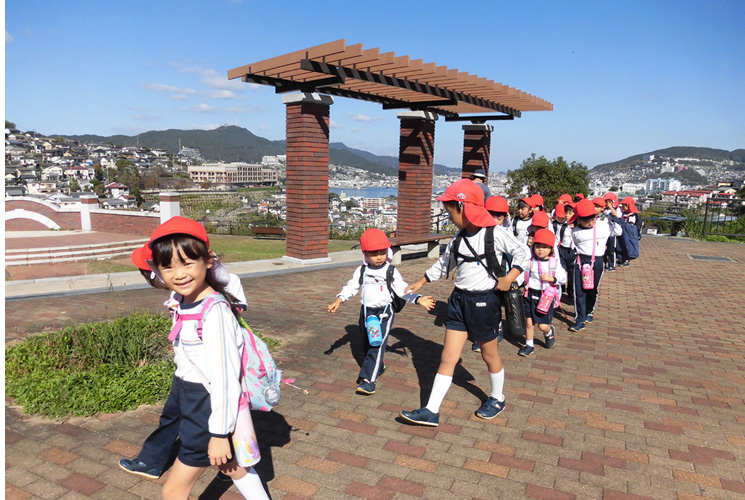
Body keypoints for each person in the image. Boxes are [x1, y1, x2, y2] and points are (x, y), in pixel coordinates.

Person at [122, 217, 268, 500]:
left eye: (187, 263)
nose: (178, 274)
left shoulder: (214, 313)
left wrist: (218, 433)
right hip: (187, 391)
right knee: (231, 465)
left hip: (206, 404)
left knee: (174, 491)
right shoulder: (183, 299)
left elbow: (225, 378)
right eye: (168, 267)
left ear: (208, 260)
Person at [399, 179, 529, 426]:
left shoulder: (494, 232)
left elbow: (523, 252)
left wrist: (510, 276)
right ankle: (431, 410)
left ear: (464, 207)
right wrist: (421, 281)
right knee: (448, 357)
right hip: (458, 300)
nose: (449, 217)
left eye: (450, 211)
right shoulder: (459, 237)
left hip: (484, 302)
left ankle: (497, 398)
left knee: (489, 355)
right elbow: (445, 264)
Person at [328, 228, 435, 395]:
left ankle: (368, 380)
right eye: (374, 253)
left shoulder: (390, 271)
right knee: (367, 343)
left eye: (382, 252)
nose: (379, 257)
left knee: (376, 345)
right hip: (366, 312)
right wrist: (339, 300)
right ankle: (379, 365)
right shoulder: (362, 271)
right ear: (365, 254)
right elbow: (351, 287)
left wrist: (419, 299)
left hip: (384, 313)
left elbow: (402, 289)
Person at [568, 200, 621, 332]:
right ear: (579, 219)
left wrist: (614, 218)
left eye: (592, 219)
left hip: (597, 261)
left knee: (592, 289)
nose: (590, 223)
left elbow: (618, 232)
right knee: (579, 291)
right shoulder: (575, 231)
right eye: (586, 220)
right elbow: (573, 245)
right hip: (581, 261)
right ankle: (579, 319)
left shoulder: (603, 226)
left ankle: (589, 311)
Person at [519, 229, 567, 357]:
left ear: (551, 249)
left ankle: (549, 332)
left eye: (545, 247)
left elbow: (563, 278)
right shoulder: (530, 261)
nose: (541, 250)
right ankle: (529, 344)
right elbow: (522, 275)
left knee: (542, 326)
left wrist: (552, 279)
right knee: (529, 323)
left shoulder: (554, 263)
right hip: (530, 294)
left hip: (546, 296)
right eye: (538, 246)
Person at [553, 203, 576, 297]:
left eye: (570, 213)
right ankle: (560, 291)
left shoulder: (577, 227)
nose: (567, 215)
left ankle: (571, 292)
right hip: (562, 251)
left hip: (573, 252)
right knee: (561, 271)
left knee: (572, 273)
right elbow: (557, 239)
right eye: (566, 213)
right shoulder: (562, 227)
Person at [602, 193, 621, 272]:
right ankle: (603, 264)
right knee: (604, 250)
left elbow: (617, 216)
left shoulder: (616, 209)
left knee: (611, 250)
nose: (607, 203)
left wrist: (611, 207)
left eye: (609, 201)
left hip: (612, 232)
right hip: (604, 232)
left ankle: (611, 265)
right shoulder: (604, 210)